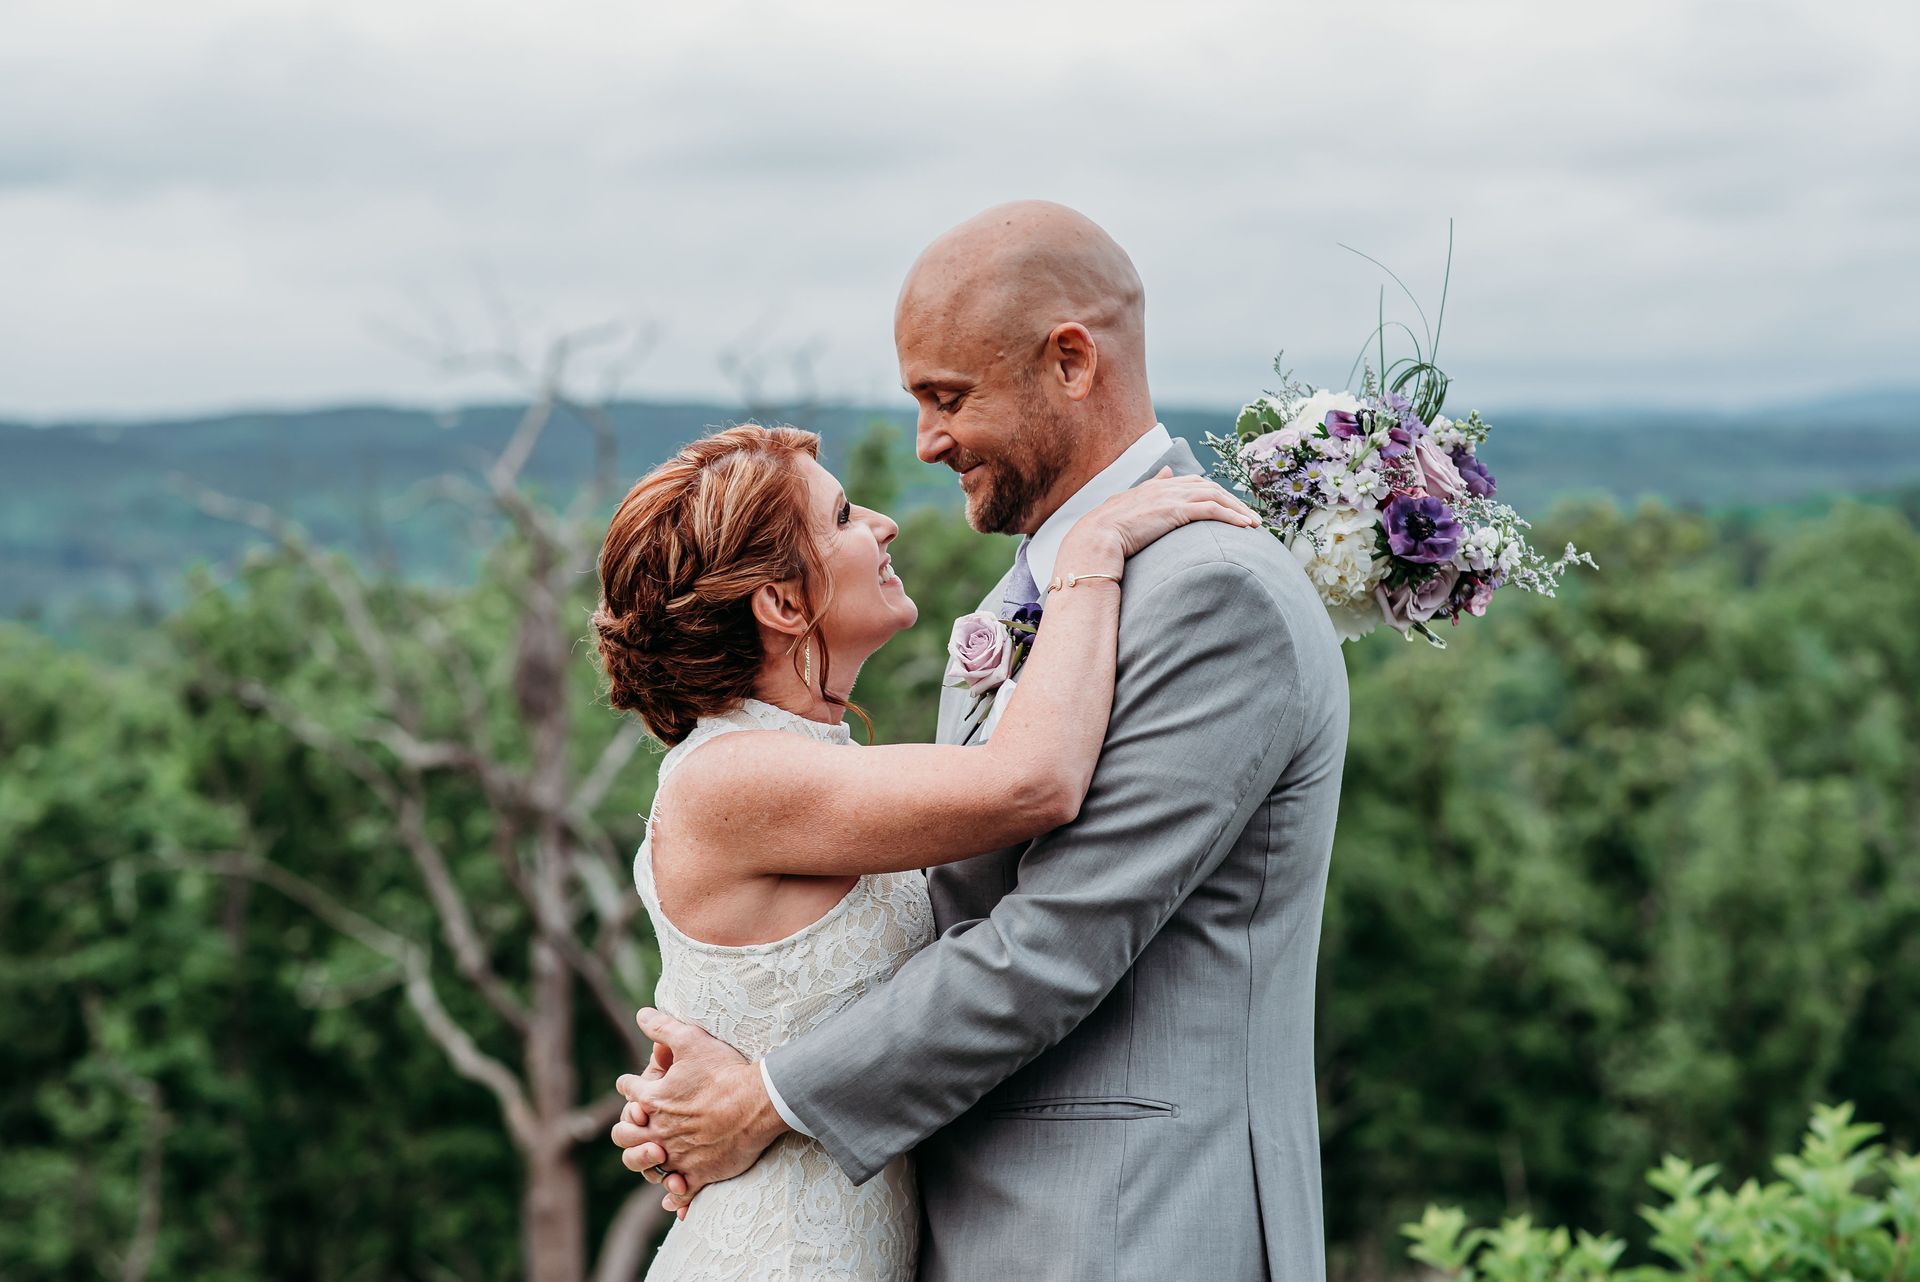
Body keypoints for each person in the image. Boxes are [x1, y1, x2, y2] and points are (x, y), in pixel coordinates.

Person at [612, 200, 1351, 1281]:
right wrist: (717, 1074)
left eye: (947, 397)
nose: (924, 448)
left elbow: (1055, 939)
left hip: (1128, 1224)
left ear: (1069, 362)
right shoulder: (1037, 597)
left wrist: (763, 1091)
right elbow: (954, 912)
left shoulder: (1207, 592)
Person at [594, 418, 1255, 1280]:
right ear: (784, 604)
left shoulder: (795, 761)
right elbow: (1034, 784)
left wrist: (719, 1092)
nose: (883, 522)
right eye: (840, 519)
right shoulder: (733, 776)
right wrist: (1092, 554)